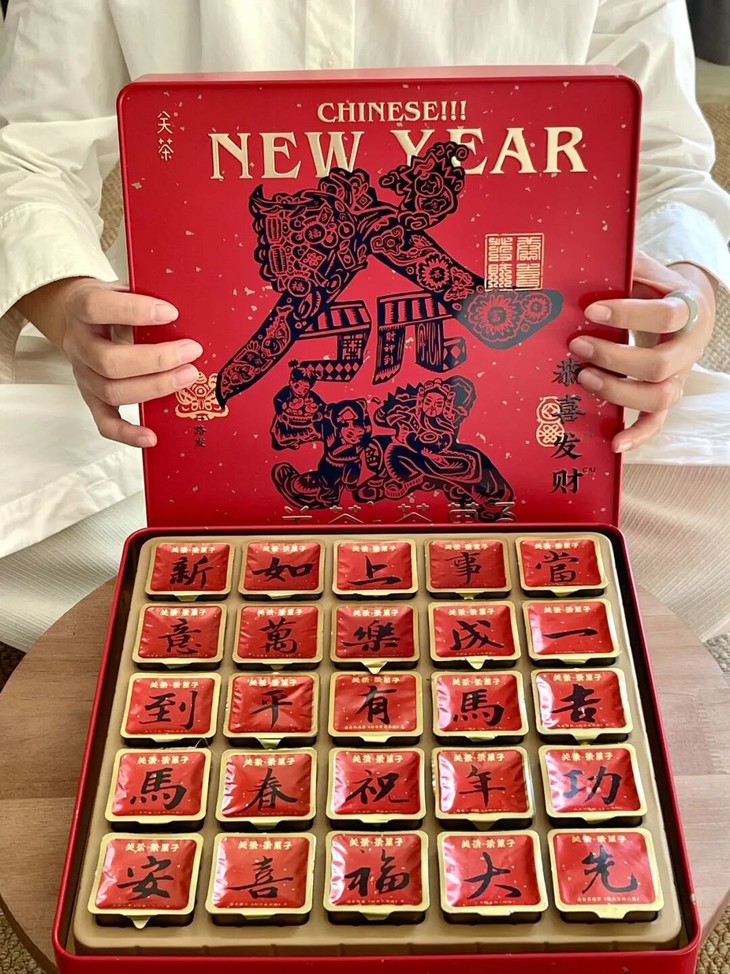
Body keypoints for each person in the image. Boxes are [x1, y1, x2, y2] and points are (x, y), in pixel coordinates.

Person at [0, 0, 728, 648]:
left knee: (713, 521)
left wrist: (686, 298)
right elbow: (29, 158)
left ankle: (274, 612)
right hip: (164, 375)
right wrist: (68, 309)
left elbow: (664, 163)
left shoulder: (381, 241)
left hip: (526, 375)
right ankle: (445, 609)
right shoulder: (328, 263)